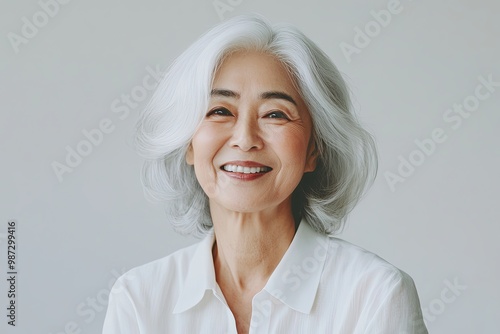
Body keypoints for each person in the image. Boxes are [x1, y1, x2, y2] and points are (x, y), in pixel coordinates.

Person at [103, 14, 428, 334]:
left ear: (314, 149)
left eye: (275, 114)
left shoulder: (377, 296)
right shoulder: (138, 299)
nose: (244, 139)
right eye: (219, 111)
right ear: (188, 143)